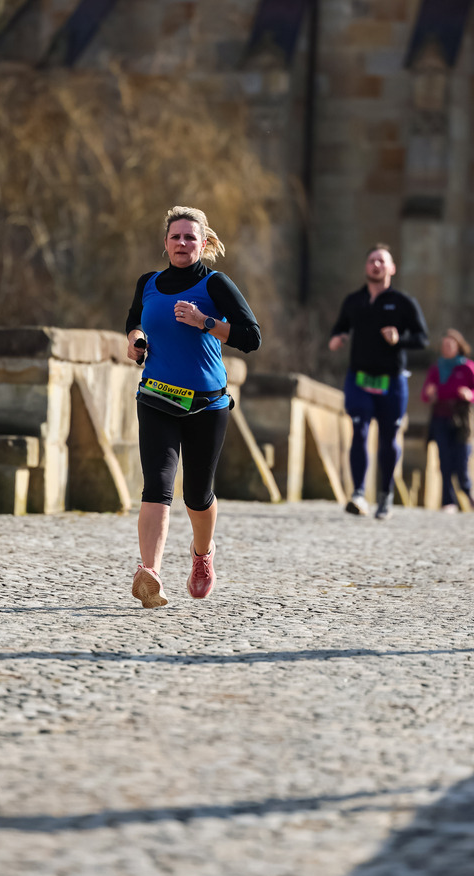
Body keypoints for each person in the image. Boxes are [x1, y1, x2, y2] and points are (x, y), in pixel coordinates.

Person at [126, 206, 261, 608]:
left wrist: (205, 322)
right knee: (157, 486)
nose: (182, 243)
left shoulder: (216, 284)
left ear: (203, 243)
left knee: (197, 494)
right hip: (156, 397)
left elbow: (251, 337)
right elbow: (134, 321)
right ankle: (150, 572)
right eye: (175, 237)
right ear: (165, 243)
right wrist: (136, 341)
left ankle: (202, 556)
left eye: (190, 237)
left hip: (207, 404)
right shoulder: (148, 283)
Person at [329, 244, 429, 519]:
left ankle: (385, 496)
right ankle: (359, 494)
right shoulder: (354, 301)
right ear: (366, 266)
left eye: (382, 261)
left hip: (392, 382)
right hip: (359, 377)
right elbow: (341, 325)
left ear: (392, 268)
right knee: (359, 430)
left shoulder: (403, 302)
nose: (376, 265)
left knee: (388, 437)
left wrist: (400, 340)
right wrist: (338, 337)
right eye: (372, 260)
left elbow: (422, 338)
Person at [421, 329, 474, 512]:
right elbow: (425, 394)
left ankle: (468, 493)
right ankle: (448, 501)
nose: (447, 348)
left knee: (462, 459)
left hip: (461, 418)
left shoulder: (467, 367)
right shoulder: (436, 368)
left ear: (458, 346)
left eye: (451, 345)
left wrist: (470, 395)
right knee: (443, 460)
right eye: (444, 345)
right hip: (440, 417)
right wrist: (430, 394)